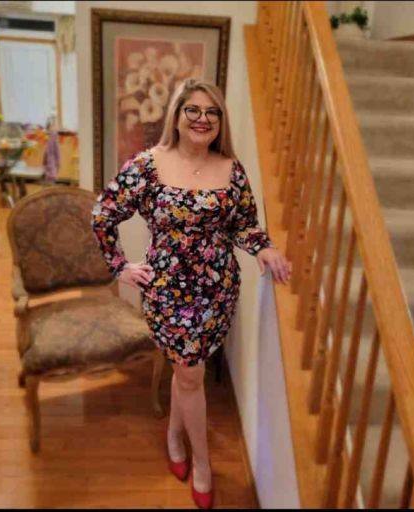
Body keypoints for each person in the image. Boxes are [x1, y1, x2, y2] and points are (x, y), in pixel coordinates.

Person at [91, 78, 291, 509]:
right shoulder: (147, 165)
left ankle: (173, 435)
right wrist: (120, 266)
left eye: (212, 112)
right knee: (190, 373)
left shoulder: (232, 169)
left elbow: (244, 224)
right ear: (177, 116)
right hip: (166, 291)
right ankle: (202, 462)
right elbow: (102, 214)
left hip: (218, 289)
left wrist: (264, 247)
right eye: (193, 110)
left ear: (221, 121)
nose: (203, 119)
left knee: (187, 373)